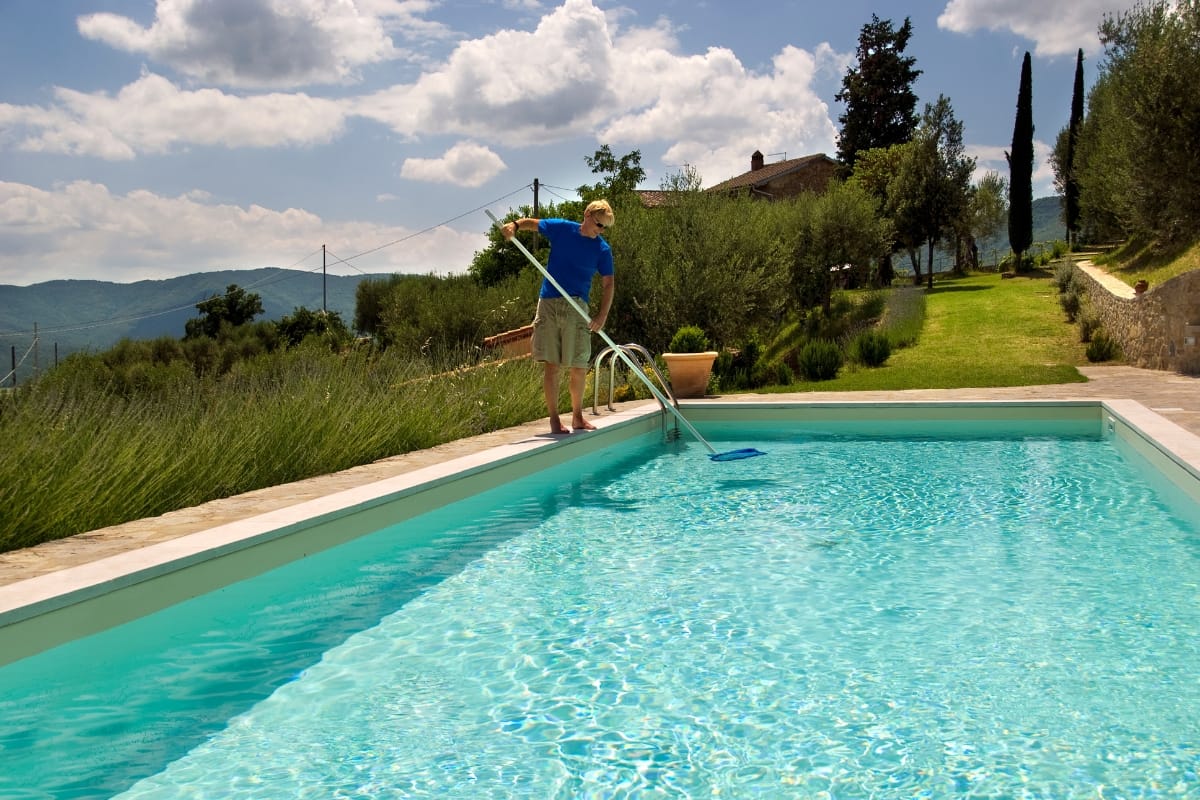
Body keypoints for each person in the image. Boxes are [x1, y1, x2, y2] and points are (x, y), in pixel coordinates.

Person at [503, 199, 615, 435]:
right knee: (552, 365)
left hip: (577, 306)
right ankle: (554, 419)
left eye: (604, 227)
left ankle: (577, 417)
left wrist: (601, 315)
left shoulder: (602, 249)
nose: (600, 230)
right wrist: (513, 225)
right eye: (598, 224)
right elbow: (530, 224)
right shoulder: (562, 228)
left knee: (578, 365)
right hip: (549, 304)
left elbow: (608, 284)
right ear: (587, 215)